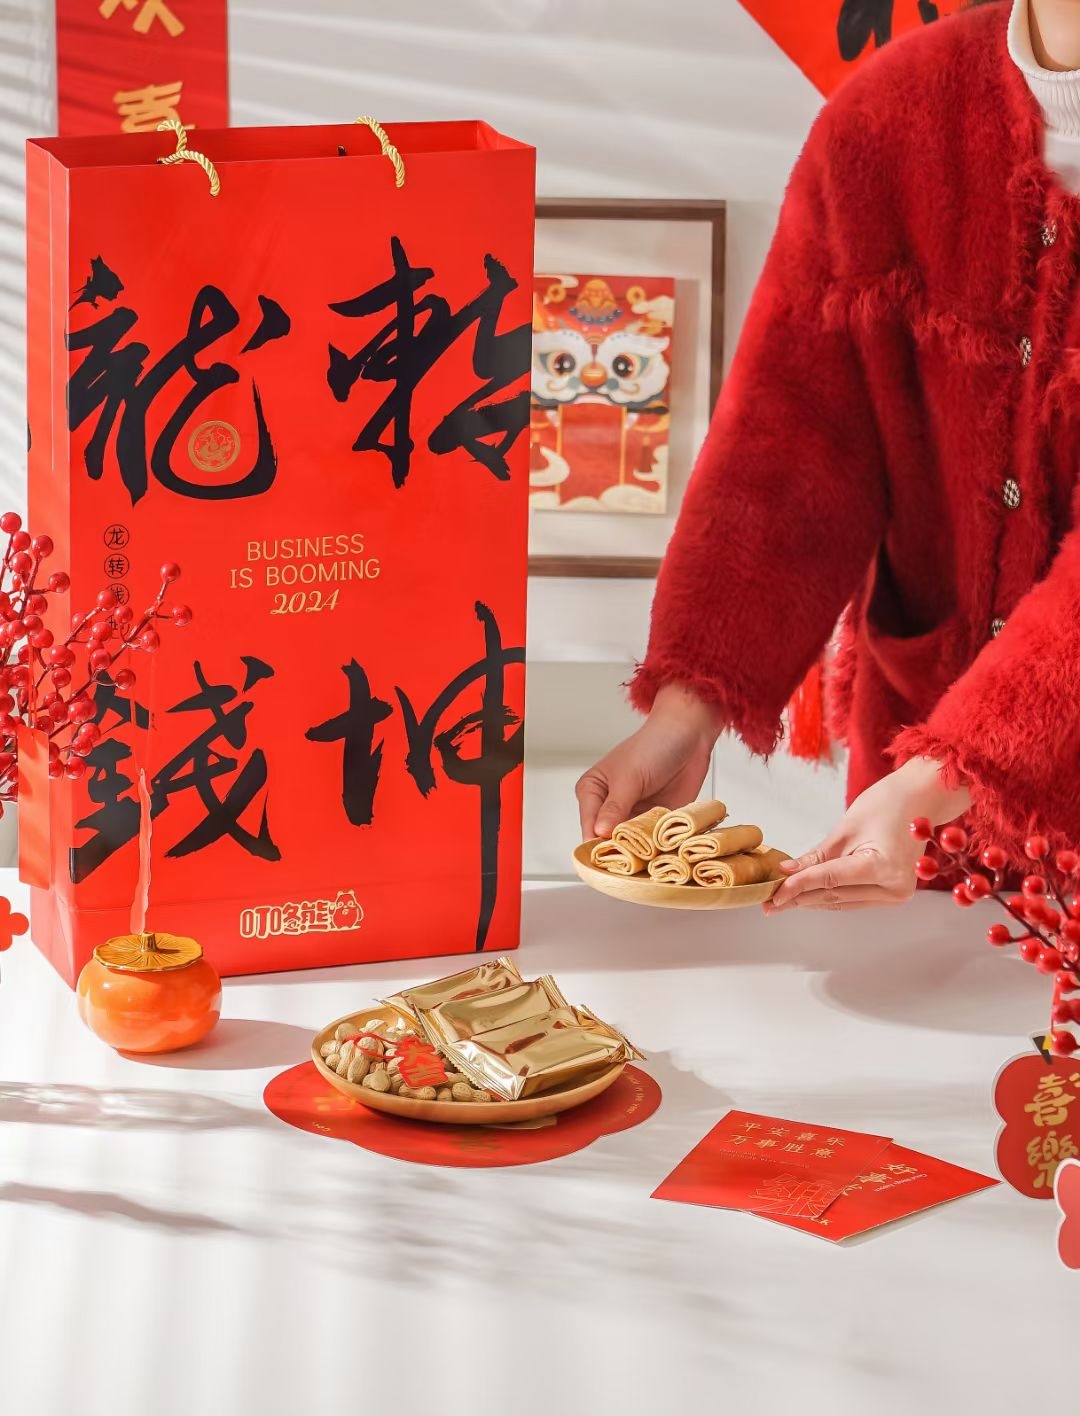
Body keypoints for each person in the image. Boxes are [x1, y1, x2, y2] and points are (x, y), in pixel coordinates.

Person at [577, 0, 1080, 912]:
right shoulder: (892, 112)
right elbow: (791, 437)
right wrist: (689, 710)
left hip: (928, 797)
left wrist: (947, 772)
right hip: (924, 832)